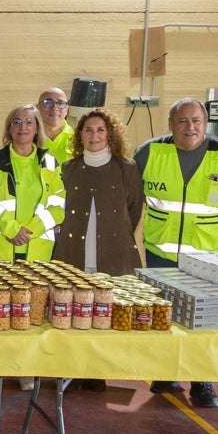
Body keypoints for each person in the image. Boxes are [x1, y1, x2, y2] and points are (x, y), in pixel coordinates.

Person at [134, 97, 218, 408]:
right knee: (165, 318)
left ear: (206, 125)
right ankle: (166, 373)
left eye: (196, 121)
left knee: (203, 322)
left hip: (207, 257)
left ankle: (203, 383)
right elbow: (127, 191)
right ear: (170, 125)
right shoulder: (150, 151)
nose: (190, 127)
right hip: (160, 254)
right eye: (182, 121)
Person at [53, 108, 143, 391]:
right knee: (75, 311)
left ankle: (97, 371)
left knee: (103, 312)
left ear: (110, 134)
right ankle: (73, 369)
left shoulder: (126, 168)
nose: (94, 135)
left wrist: (114, 233)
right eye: (88, 130)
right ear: (80, 136)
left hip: (112, 251)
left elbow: (134, 209)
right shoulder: (69, 169)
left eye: (100, 130)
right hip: (73, 251)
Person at [0, 104, 66, 262]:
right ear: (9, 128)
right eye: (16, 122)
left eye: (29, 122)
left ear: (37, 128)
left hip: (37, 251)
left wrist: (28, 232)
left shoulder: (50, 164)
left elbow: (57, 208)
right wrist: (12, 230)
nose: (22, 127)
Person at [38, 87, 76, 165]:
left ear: (67, 110)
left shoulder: (79, 139)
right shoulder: (27, 139)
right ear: (37, 108)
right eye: (48, 103)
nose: (55, 107)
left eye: (60, 103)